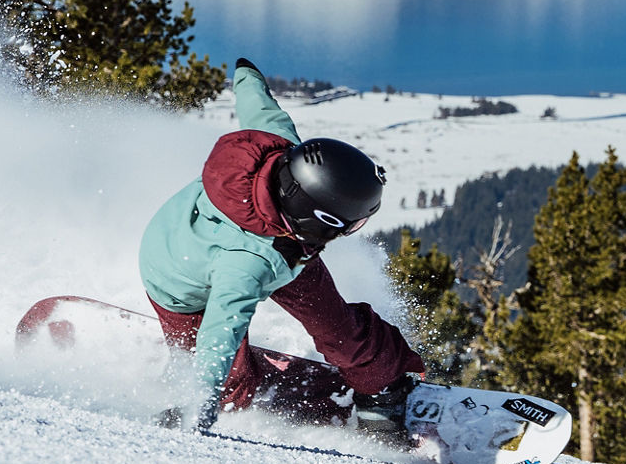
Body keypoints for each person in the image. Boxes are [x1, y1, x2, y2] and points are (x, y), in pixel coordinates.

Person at [139, 58, 426, 437]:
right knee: (230, 386)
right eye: (349, 224)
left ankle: (381, 389)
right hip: (181, 286)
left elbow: (260, 108)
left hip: (284, 246)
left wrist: (246, 75)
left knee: (338, 326)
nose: (351, 232)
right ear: (315, 217)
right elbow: (221, 329)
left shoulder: (282, 154)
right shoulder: (246, 264)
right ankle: (219, 394)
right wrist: (201, 398)